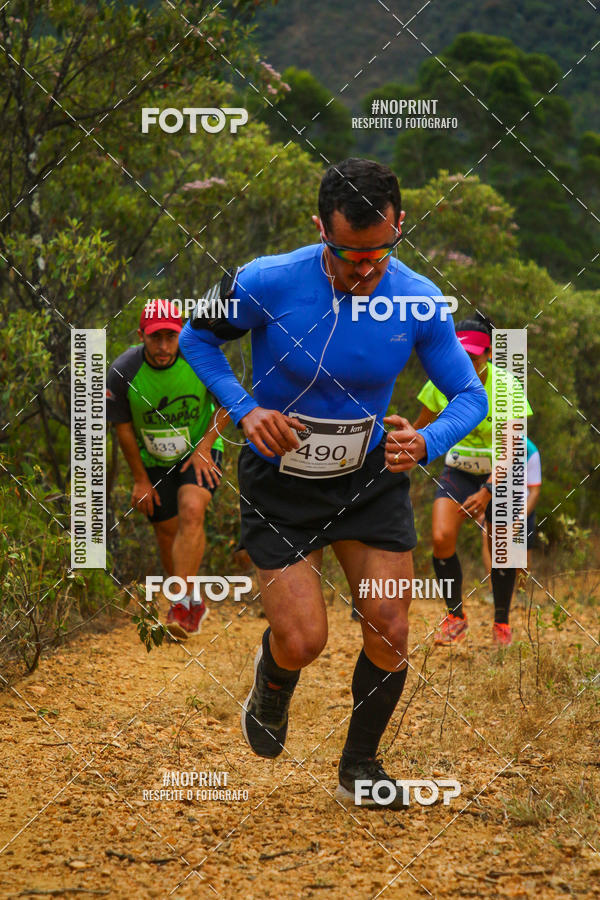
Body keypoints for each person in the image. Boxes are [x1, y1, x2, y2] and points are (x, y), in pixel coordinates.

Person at [179, 158, 488, 808]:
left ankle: (360, 767)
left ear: (400, 225)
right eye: (348, 253)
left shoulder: (419, 299)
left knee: (390, 624)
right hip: (280, 484)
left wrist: (426, 441)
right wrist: (246, 410)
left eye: (379, 252)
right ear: (320, 228)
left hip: (368, 481)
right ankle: (273, 675)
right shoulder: (267, 279)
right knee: (303, 641)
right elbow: (195, 336)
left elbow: (468, 397)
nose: (364, 269)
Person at [106, 301, 226, 639]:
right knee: (167, 531)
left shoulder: (200, 357)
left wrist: (204, 448)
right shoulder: (123, 370)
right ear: (141, 335)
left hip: (199, 451)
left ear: (181, 335)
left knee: (191, 511)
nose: (162, 347)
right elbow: (123, 427)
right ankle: (192, 599)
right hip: (153, 461)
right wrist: (140, 479)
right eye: (155, 338)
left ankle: (181, 603)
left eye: (170, 338)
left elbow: (229, 404)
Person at [413, 317, 532, 648]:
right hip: (460, 468)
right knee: (440, 536)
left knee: (503, 548)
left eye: (476, 355)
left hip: (501, 473)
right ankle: (455, 617)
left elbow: (513, 447)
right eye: (462, 353)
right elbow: (421, 428)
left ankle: (502, 623)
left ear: (490, 354)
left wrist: (489, 490)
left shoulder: (507, 385)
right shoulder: (440, 382)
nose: (469, 360)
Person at [481, 436, 541, 589]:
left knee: (521, 552)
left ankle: (522, 593)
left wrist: (519, 521)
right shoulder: (491, 445)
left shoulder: (530, 450)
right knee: (487, 535)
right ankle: (494, 589)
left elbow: (534, 491)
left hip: (522, 505)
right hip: (496, 503)